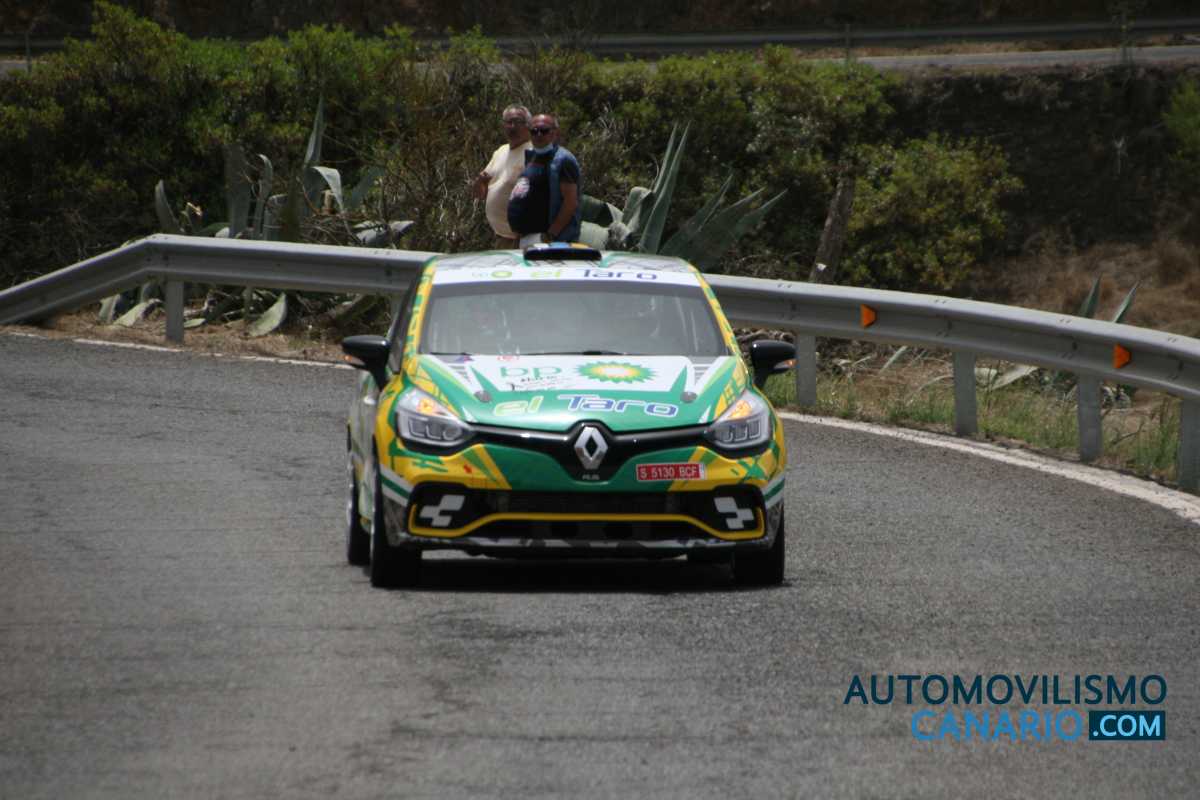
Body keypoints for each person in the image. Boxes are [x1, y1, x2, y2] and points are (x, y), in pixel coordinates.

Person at [506, 113, 581, 248]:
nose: (539, 135)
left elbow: (570, 203)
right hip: (526, 237)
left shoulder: (563, 160)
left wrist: (550, 235)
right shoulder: (532, 155)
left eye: (544, 130)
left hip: (549, 241)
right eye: (534, 131)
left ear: (555, 133)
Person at [472, 105, 533, 248]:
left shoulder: (533, 153)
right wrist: (479, 182)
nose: (513, 127)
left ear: (528, 125)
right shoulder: (501, 151)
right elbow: (481, 194)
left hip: (522, 238)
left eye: (518, 122)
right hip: (501, 236)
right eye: (509, 122)